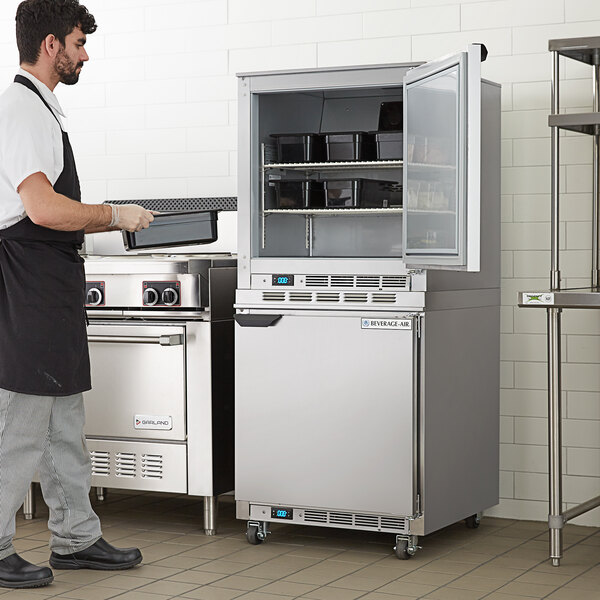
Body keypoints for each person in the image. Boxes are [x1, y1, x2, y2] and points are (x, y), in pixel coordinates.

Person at [0, 0, 156, 589]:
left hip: (52, 280)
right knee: (19, 421)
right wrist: (114, 215)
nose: (84, 53)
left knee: (64, 417)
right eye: (78, 42)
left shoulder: (44, 107)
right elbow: (40, 207)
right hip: (29, 280)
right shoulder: (20, 108)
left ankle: (76, 538)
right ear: (49, 46)